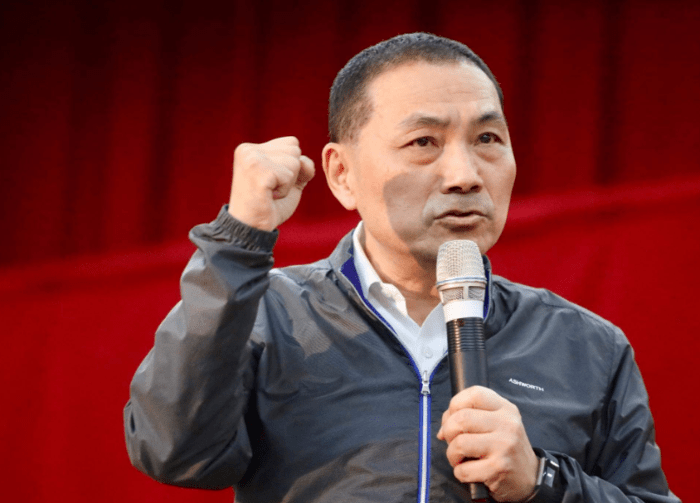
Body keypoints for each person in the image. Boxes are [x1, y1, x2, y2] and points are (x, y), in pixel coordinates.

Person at [124, 33, 679, 503]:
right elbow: (174, 452)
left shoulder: (587, 345)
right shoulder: (268, 317)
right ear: (341, 174)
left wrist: (543, 480)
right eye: (423, 142)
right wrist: (239, 240)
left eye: (487, 138)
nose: (464, 175)